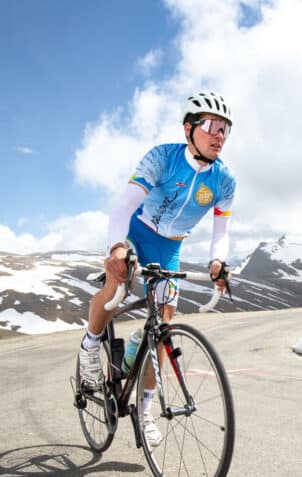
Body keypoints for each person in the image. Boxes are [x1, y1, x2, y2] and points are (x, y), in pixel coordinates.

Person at [78, 90, 236, 445]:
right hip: (136, 231)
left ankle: (145, 409)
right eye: (211, 125)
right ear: (188, 128)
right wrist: (117, 248)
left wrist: (216, 262)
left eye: (225, 128)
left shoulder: (225, 181)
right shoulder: (162, 158)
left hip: (170, 248)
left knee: (162, 333)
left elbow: (221, 232)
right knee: (118, 288)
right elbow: (122, 208)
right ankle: (89, 346)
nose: (219, 135)